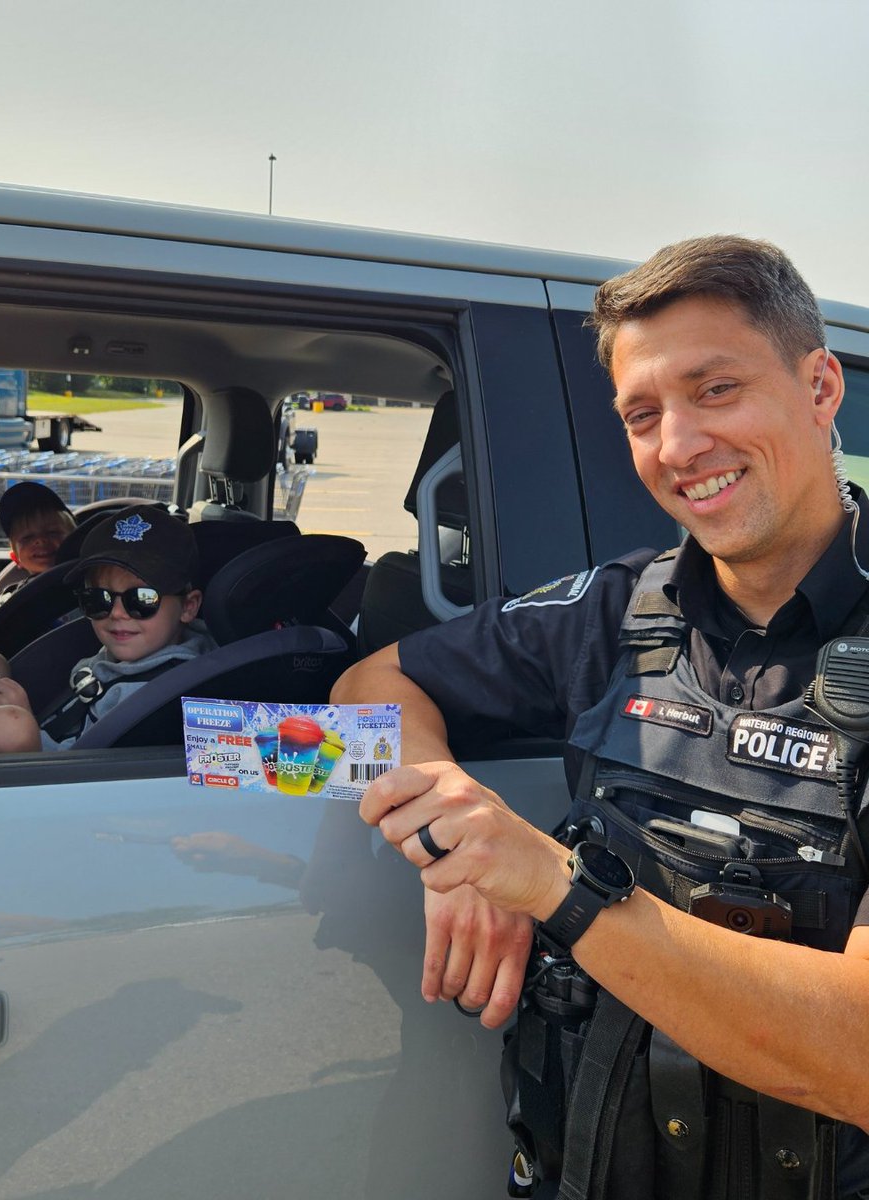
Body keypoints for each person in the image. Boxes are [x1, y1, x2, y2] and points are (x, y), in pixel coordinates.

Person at [333, 235, 869, 1198]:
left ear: (821, 386)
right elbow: (369, 685)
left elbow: (860, 1056)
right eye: (642, 414)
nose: (678, 447)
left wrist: (554, 887)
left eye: (716, 390)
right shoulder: (616, 608)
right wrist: (449, 823)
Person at [0, 504, 215, 753]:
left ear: (188, 607)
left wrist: (24, 725)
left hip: (56, 783)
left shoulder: (193, 694)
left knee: (10, 726)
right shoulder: (134, 650)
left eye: (142, 600)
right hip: (52, 736)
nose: (117, 613)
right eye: (98, 599)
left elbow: (90, 778)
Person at [0, 481, 78, 627]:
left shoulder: (88, 580)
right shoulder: (17, 595)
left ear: (76, 540)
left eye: (52, 532)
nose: (40, 540)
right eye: (27, 537)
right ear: (15, 558)